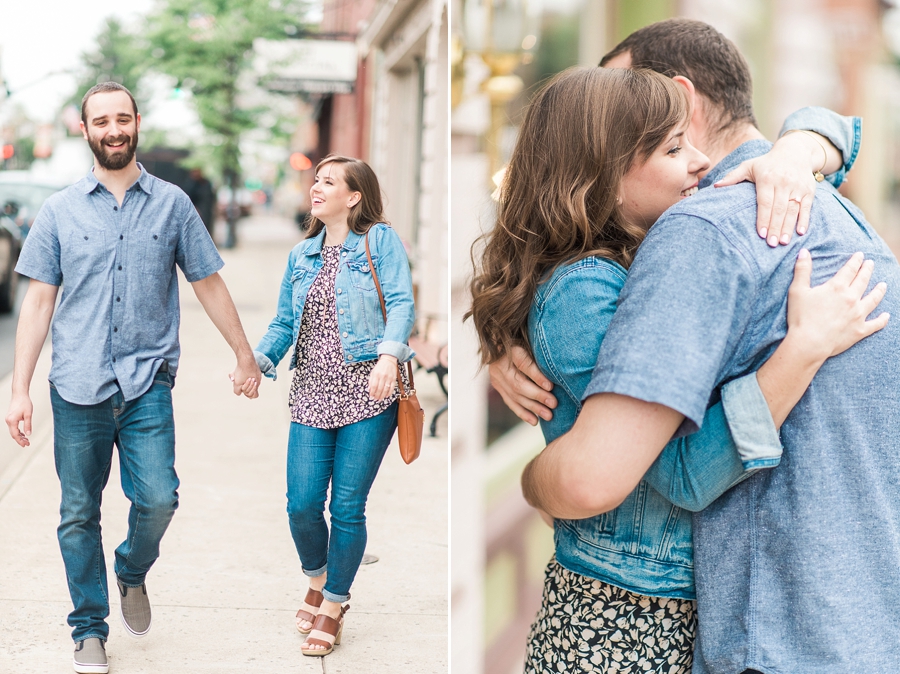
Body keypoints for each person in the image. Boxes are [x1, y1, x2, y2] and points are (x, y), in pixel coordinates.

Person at [499, 19, 900, 673]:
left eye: (629, 94)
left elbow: (600, 472)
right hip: (821, 624)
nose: (693, 164)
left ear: (680, 98)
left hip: (767, 634)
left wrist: (535, 484)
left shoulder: (709, 226)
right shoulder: (829, 214)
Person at [3, 82, 262, 674]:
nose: (113, 129)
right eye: (102, 121)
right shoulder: (59, 211)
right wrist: (19, 389)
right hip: (76, 385)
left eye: (123, 118)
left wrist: (244, 353)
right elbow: (38, 300)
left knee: (159, 498)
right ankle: (88, 629)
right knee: (77, 512)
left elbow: (207, 281)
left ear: (137, 123)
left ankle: (130, 571)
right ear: (86, 130)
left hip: (147, 382)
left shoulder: (172, 204)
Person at [253, 154, 415, 657]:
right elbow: (284, 323)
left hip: (369, 394)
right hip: (311, 393)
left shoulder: (379, 241)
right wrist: (256, 358)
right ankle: (318, 577)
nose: (316, 188)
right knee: (301, 504)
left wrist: (390, 354)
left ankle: (334, 604)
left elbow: (402, 301)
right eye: (315, 180)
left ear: (354, 196)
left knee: (346, 506)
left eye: (328, 182)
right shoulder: (301, 255)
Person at [186, 168, 217, 239]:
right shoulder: (191, 185)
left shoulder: (206, 183)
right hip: (198, 212)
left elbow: (211, 197)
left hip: (207, 212)